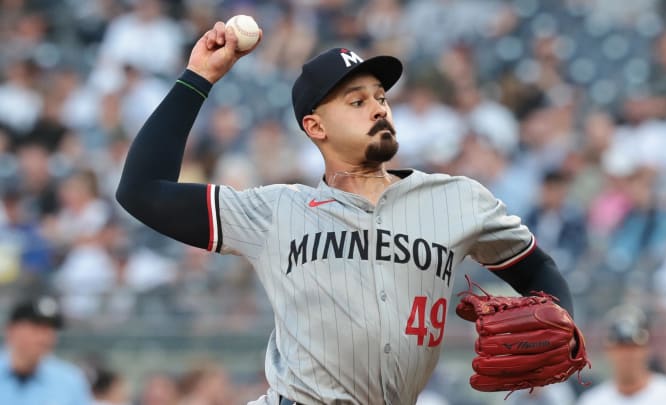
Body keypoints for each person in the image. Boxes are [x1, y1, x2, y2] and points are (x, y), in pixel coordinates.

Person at [116, 20, 578, 404]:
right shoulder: (275, 210)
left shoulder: (457, 199)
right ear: (314, 126)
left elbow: (537, 267)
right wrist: (198, 77)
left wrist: (562, 317)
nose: (378, 109)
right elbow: (141, 191)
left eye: (380, 96)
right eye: (356, 102)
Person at [576, 305, 666, 405]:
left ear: (647, 348)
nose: (627, 355)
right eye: (621, 347)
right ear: (608, 350)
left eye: (634, 347)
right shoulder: (592, 401)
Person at [0, 295, 92, 404]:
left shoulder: (70, 380)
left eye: (51, 330)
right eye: (36, 327)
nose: (44, 338)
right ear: (11, 330)